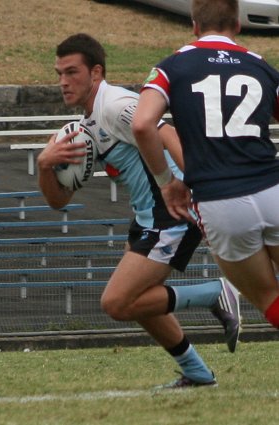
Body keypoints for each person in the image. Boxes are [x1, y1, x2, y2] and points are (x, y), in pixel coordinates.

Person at [37, 33, 240, 390]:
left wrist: (195, 188)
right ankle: (196, 372)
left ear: (96, 73)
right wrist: (43, 165)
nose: (63, 82)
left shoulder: (114, 104)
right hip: (149, 216)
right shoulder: (87, 125)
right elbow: (58, 201)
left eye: (72, 72)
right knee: (140, 302)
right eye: (59, 74)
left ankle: (215, 293)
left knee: (117, 302)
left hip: (170, 210)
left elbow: (165, 132)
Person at [132, 0, 279, 335]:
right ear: (238, 24)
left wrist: (167, 182)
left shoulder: (172, 67)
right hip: (272, 189)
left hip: (220, 201)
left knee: (269, 296)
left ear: (194, 25)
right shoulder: (260, 66)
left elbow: (142, 124)